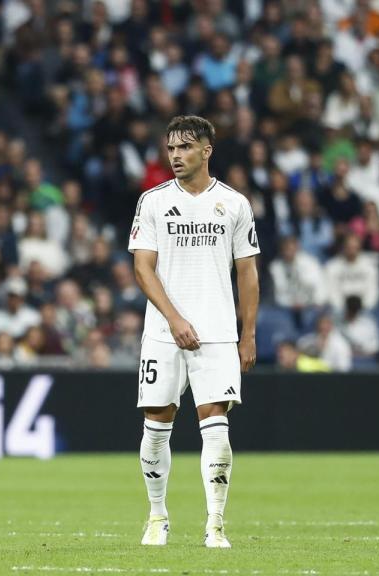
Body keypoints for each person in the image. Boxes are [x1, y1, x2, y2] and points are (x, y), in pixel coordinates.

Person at [127, 116, 260, 548]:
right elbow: (142, 268)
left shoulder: (235, 204)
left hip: (218, 332)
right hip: (164, 334)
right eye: (170, 149)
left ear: (207, 151)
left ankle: (216, 524)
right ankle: (156, 516)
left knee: (216, 426)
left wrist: (248, 334)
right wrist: (174, 319)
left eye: (184, 148)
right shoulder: (152, 202)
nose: (175, 156)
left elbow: (248, 273)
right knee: (156, 424)